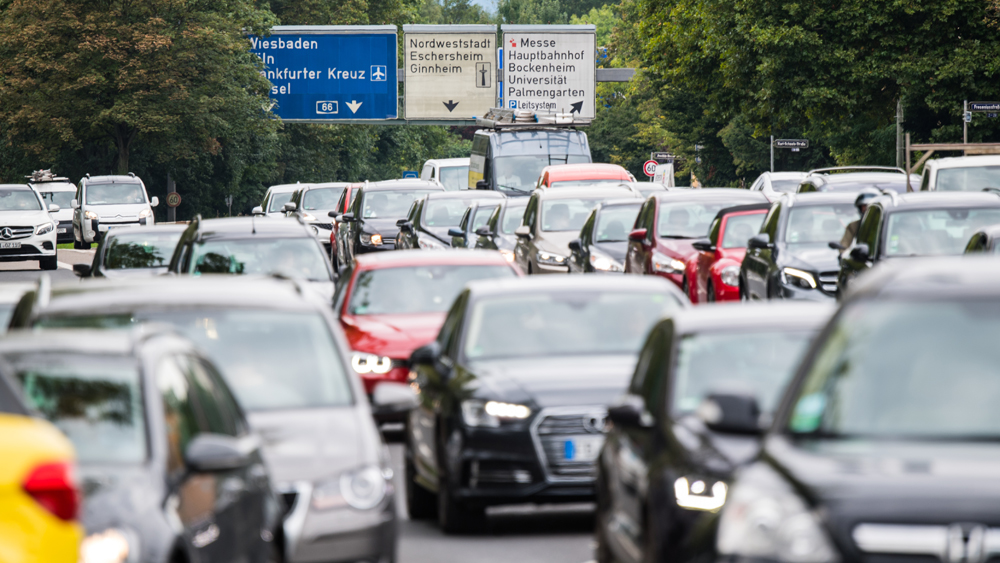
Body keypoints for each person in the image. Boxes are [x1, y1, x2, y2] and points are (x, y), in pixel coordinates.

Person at [839, 188, 881, 255]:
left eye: (870, 206)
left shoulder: (885, 225)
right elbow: (844, 245)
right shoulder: (853, 226)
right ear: (860, 207)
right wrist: (844, 254)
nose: (867, 208)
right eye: (864, 206)